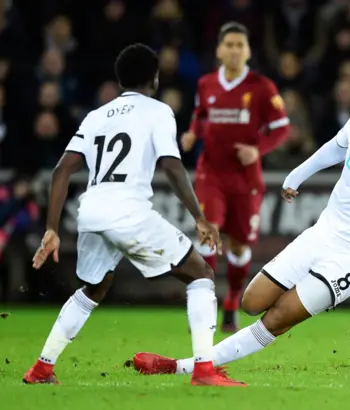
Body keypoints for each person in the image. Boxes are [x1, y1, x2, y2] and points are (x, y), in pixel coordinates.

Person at [131, 111, 350, 378]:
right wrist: (297, 175)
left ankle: (184, 367)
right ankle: (209, 360)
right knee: (251, 302)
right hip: (321, 235)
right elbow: (334, 149)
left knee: (278, 318)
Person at [22, 43, 245, 387]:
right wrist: (200, 217)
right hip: (128, 212)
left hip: (92, 212)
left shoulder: (96, 115)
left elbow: (61, 171)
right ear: (154, 77)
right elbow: (171, 164)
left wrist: (52, 228)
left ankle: (41, 369)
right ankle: (203, 371)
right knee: (201, 274)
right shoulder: (158, 111)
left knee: (94, 288)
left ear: (120, 78)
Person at [182, 22, 290, 333]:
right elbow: (201, 118)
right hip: (211, 173)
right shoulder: (206, 84)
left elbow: (282, 127)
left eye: (239, 45)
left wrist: (258, 150)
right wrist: (192, 135)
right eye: (228, 44)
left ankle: (231, 301)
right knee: (208, 232)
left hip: (245, 178)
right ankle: (206, 302)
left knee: (239, 246)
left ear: (248, 51)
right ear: (219, 50)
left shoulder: (261, 86)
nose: (233, 50)